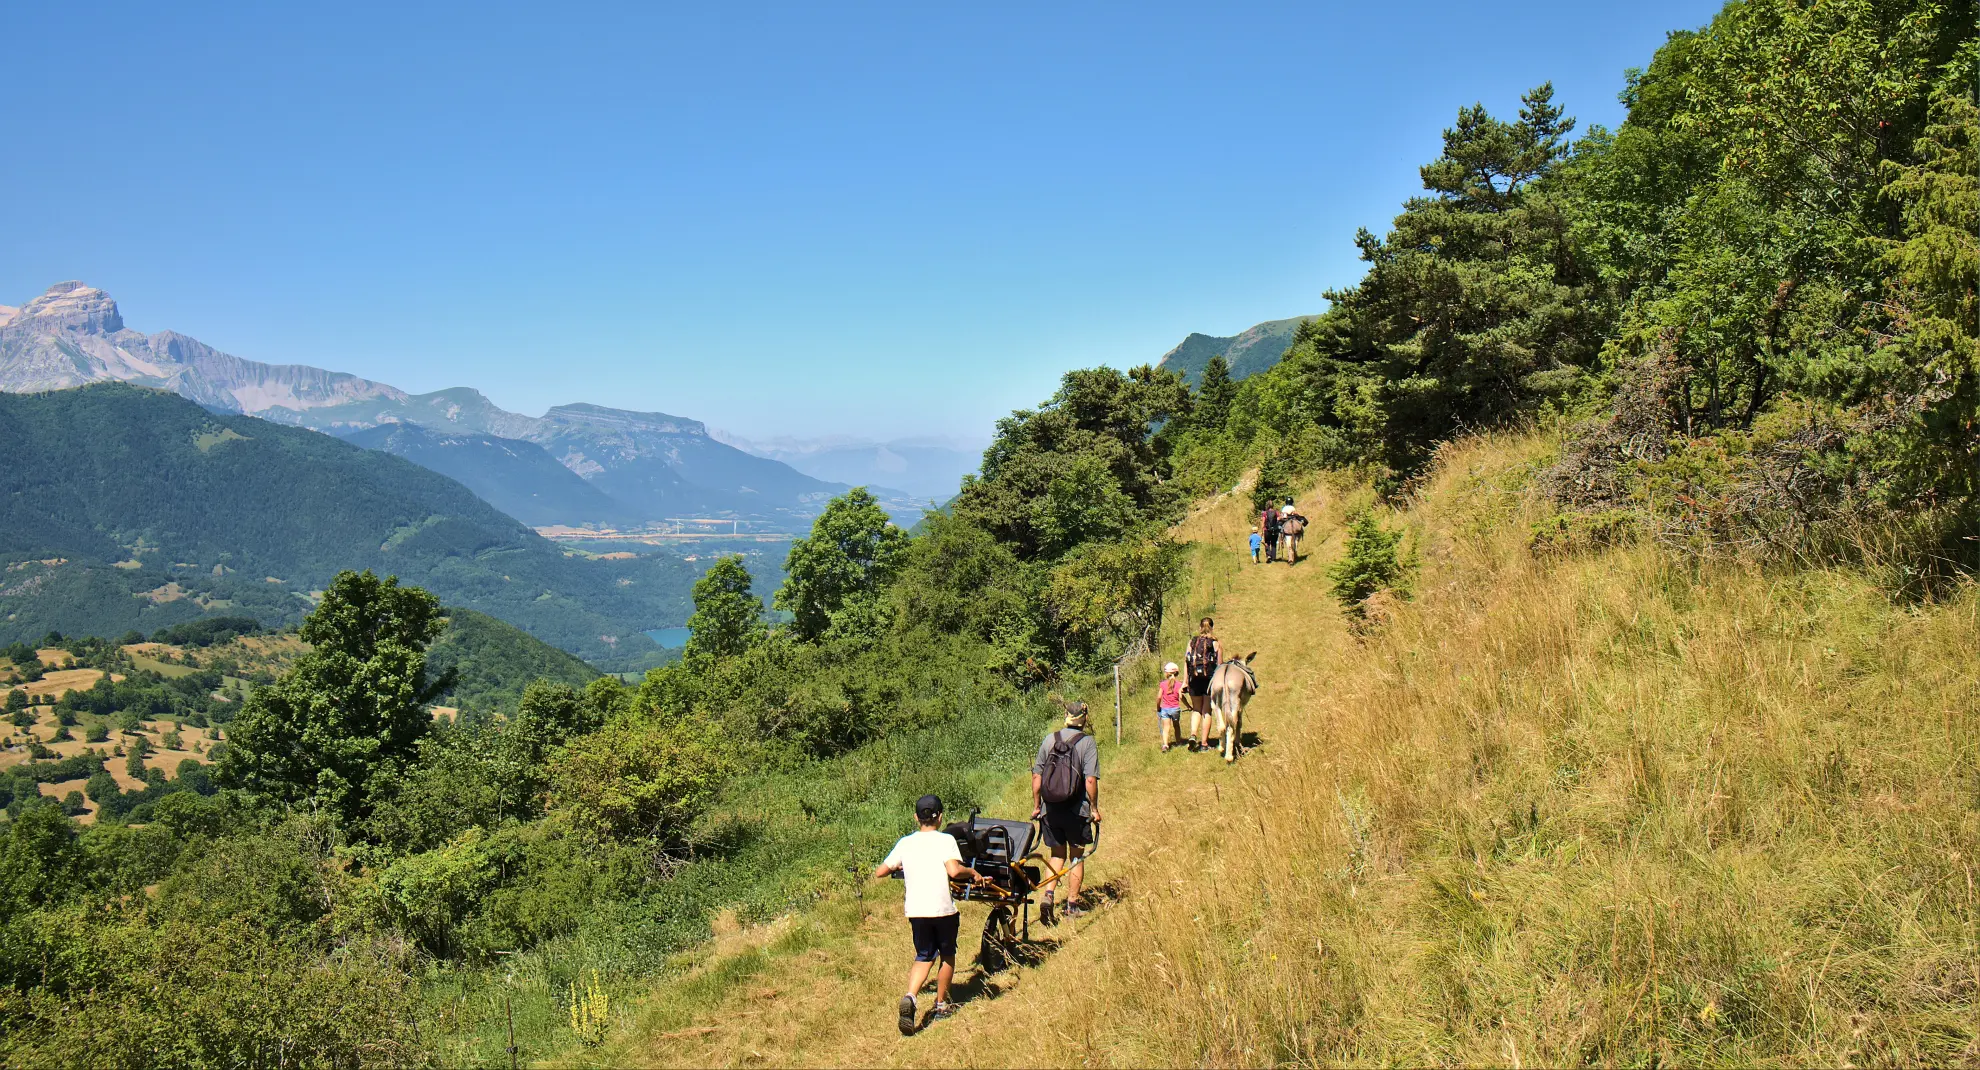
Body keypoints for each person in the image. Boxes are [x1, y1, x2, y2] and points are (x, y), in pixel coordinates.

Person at [872, 793, 988, 1035]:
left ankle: (911, 996)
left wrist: (902, 864)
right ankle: (941, 1004)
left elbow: (880, 871)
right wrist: (973, 873)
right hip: (942, 910)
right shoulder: (945, 840)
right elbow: (954, 871)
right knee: (947, 954)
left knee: (924, 955)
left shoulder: (905, 843)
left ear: (916, 818)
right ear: (941, 817)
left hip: (916, 911)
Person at [1032, 701, 1101, 923]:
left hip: (1050, 810)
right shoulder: (1087, 743)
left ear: (1066, 715)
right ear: (1084, 717)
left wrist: (1036, 807)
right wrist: (1094, 808)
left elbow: (1036, 779)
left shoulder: (1049, 739)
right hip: (1076, 810)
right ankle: (1072, 906)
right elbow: (1090, 780)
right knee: (1076, 855)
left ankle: (1048, 896)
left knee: (1056, 854)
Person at [1182, 616, 1224, 752]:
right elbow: (1220, 666)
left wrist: (1185, 681)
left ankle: (1193, 735)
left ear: (1200, 627)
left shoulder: (1192, 642)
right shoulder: (1216, 644)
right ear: (1212, 627)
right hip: (1208, 680)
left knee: (1196, 709)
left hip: (1194, 679)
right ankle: (1204, 743)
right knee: (1207, 711)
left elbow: (1186, 662)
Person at [1155, 662, 1185, 751]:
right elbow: (1181, 697)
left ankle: (1165, 745)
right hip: (1175, 709)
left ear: (1166, 674)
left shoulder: (1163, 684)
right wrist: (1189, 706)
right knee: (1176, 726)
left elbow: (1159, 697)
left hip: (1165, 709)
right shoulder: (1179, 684)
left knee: (1166, 727)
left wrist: (1158, 707)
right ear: (1177, 673)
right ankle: (1178, 742)